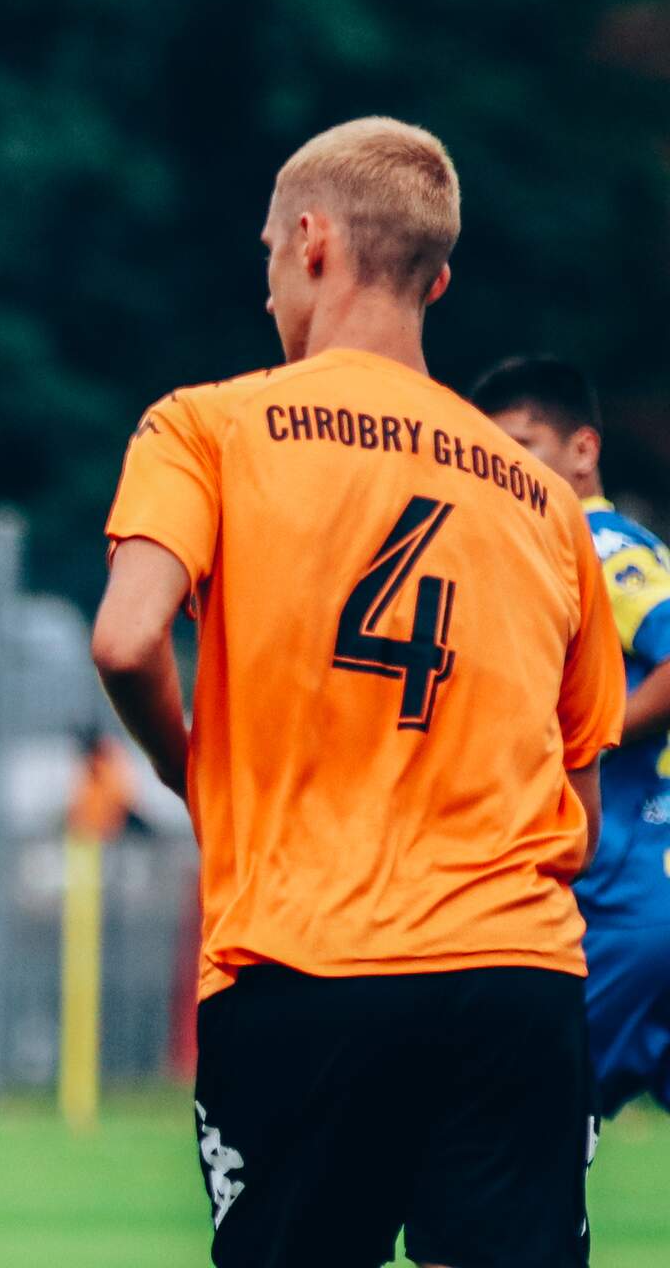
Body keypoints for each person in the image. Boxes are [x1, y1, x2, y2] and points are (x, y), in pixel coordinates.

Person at [92, 118, 625, 1267]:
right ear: (437, 279)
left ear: (312, 241)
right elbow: (579, 809)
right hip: (514, 977)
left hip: (306, 965)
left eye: (269, 258)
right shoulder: (545, 504)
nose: (268, 289)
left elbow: (128, 640)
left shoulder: (208, 426)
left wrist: (193, 772)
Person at [473, 356, 670, 1122]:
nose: (503, 472)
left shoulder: (597, 545)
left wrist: (582, 736)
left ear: (583, 451)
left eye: (522, 448)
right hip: (632, 895)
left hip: (626, 900)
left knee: (521, 1126)